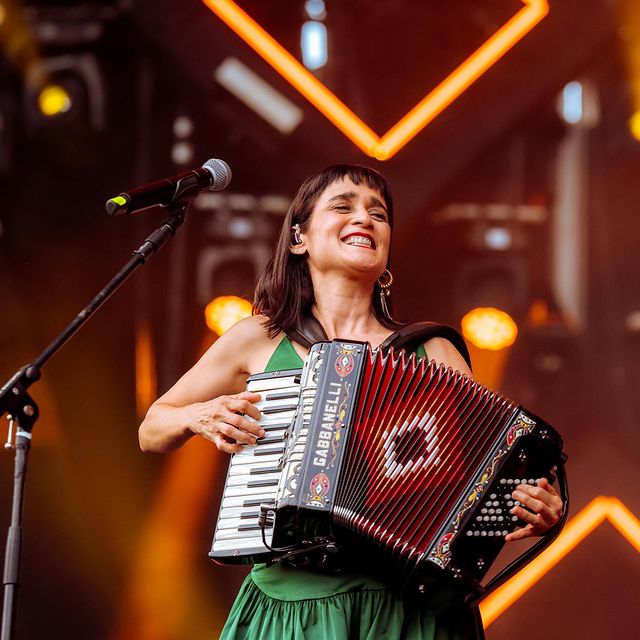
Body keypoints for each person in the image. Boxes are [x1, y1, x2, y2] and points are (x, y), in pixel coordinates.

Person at [139, 164, 563, 639]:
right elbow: (152, 427)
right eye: (343, 207)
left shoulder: (433, 351)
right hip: (290, 605)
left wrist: (536, 506)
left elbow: (483, 482)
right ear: (299, 238)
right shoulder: (256, 338)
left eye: (377, 214)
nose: (364, 218)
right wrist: (199, 415)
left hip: (402, 611)